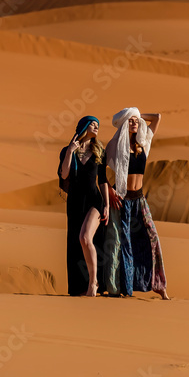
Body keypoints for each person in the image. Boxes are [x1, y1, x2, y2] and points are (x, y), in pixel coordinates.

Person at [105, 107, 169, 300]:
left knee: (152, 238)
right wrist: (109, 190)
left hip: (140, 200)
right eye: (130, 121)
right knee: (125, 244)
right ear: (124, 123)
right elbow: (100, 171)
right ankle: (126, 287)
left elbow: (157, 118)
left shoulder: (143, 142)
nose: (134, 123)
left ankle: (159, 286)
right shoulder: (115, 144)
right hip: (123, 200)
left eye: (136, 121)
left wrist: (137, 114)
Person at [58, 116, 110, 297]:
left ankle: (93, 283)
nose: (96, 128)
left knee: (86, 238)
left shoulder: (99, 150)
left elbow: (102, 180)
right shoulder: (67, 150)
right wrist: (70, 152)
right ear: (84, 127)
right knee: (75, 243)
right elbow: (64, 175)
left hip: (94, 201)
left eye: (98, 125)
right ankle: (79, 287)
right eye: (93, 125)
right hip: (75, 202)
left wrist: (107, 206)